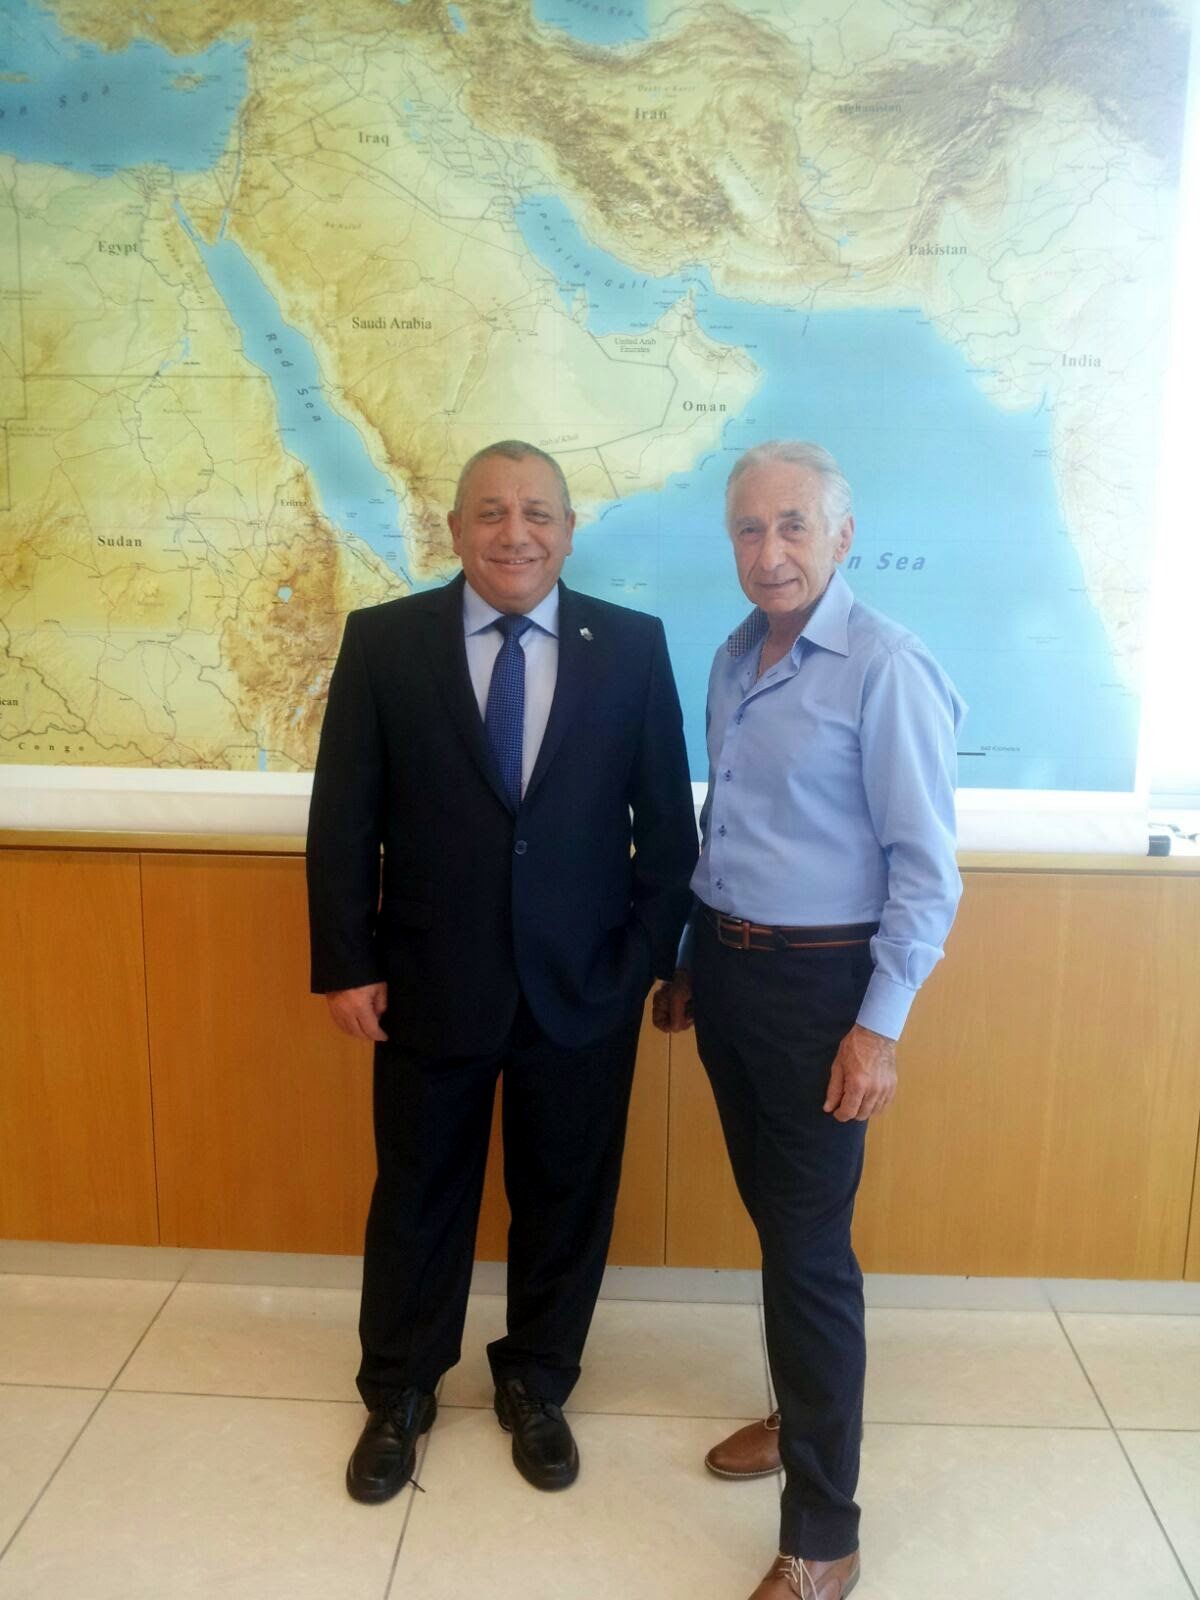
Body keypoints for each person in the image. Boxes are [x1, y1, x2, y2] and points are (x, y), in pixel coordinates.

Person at [307, 440, 697, 1504]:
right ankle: (399, 1390)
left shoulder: (631, 646)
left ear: (568, 532)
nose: (513, 533)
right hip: (426, 985)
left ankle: (536, 1381)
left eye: (536, 513)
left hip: (584, 989)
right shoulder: (385, 642)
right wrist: (347, 961)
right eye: (489, 512)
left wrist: (640, 964)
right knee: (418, 1197)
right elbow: (343, 817)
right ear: (454, 530)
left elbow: (668, 832)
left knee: (566, 1198)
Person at [654, 441, 964, 1600]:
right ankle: (798, 1412)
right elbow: (732, 825)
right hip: (730, 975)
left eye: (793, 525)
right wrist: (692, 959)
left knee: (811, 1252)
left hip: (823, 993)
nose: (769, 550)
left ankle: (824, 1534)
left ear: (842, 535)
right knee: (783, 1228)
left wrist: (877, 1029)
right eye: (749, 528)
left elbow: (926, 872)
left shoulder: (887, 666)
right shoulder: (736, 656)